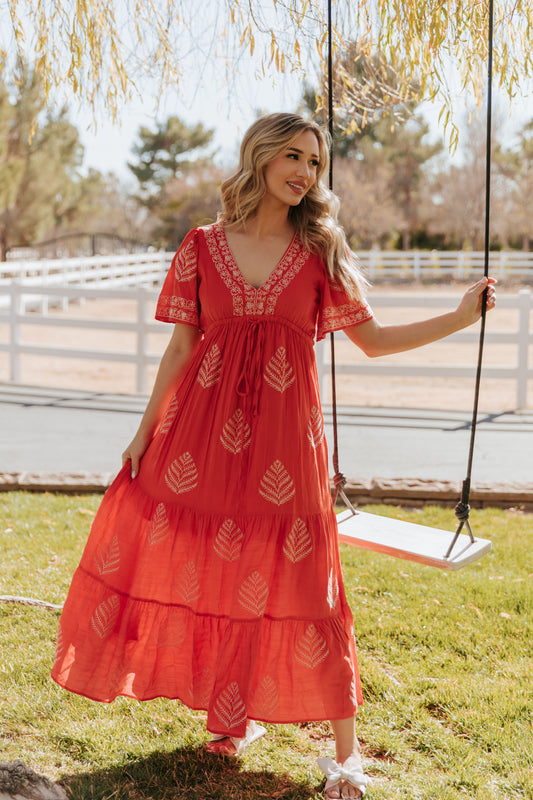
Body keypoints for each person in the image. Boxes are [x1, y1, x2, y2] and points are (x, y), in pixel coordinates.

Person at [51, 112, 496, 799]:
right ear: (259, 157)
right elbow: (181, 347)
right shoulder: (201, 245)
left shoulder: (318, 248)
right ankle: (233, 719)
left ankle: (345, 758)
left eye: (315, 163)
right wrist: (145, 430)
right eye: (293, 156)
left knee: (307, 578)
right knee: (214, 562)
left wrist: (458, 319)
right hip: (200, 434)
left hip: (287, 443)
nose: (305, 173)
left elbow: (371, 341)